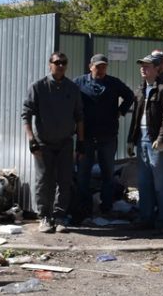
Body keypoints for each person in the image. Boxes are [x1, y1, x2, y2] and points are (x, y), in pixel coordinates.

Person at [21, 51, 84, 233]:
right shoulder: (38, 87)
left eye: (64, 63)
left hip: (65, 142)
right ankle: (45, 217)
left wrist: (80, 142)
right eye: (57, 62)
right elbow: (26, 114)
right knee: (44, 181)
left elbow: (79, 116)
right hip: (44, 143)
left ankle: (60, 216)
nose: (61, 66)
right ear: (50, 64)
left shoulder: (72, 88)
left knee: (65, 181)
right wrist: (31, 140)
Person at [72, 53, 136, 223]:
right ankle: (84, 208)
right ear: (90, 66)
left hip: (107, 136)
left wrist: (120, 112)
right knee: (83, 173)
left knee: (108, 172)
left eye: (104, 67)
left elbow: (130, 95)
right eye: (98, 66)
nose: (101, 70)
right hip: (85, 136)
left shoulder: (113, 83)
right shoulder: (78, 83)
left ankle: (106, 207)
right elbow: (69, 101)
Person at [127, 54, 163, 233]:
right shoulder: (140, 90)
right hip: (141, 141)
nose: (143, 68)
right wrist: (131, 140)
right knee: (144, 182)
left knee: (161, 183)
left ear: (157, 69)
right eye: (142, 65)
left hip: (156, 142)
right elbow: (135, 117)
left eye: (147, 66)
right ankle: (145, 218)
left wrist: (162, 139)